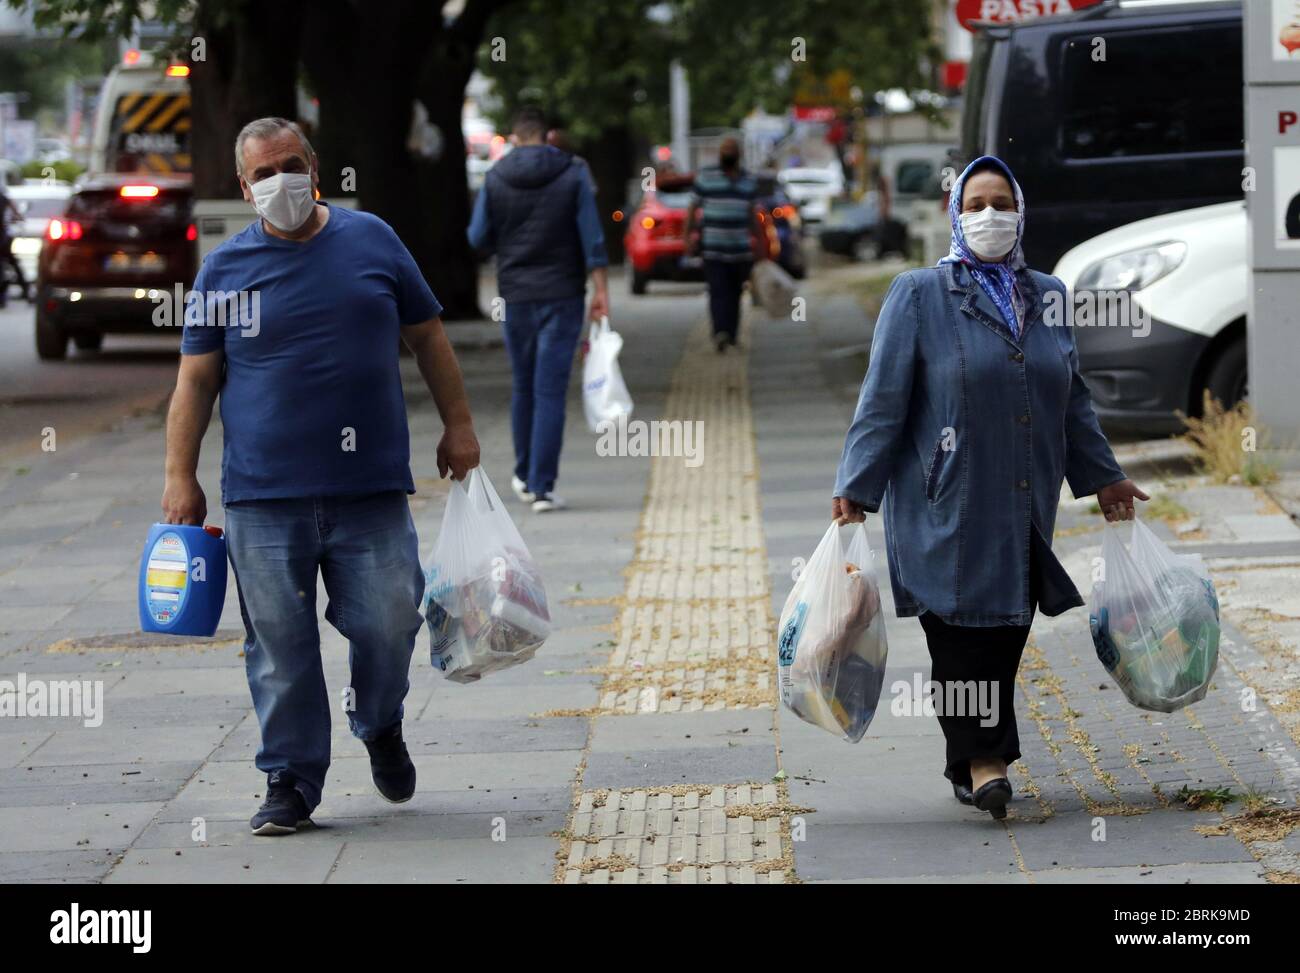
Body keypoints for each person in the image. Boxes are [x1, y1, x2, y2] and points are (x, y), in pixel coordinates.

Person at [162, 117, 480, 836]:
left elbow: (428, 334)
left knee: (392, 618)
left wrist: (458, 424)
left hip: (369, 489)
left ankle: (379, 721)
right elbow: (195, 382)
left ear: (315, 164)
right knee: (279, 641)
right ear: (244, 188)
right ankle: (291, 778)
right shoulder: (224, 270)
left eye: (290, 164)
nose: (281, 182)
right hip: (262, 495)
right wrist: (180, 474)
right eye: (263, 173)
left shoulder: (372, 240)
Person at [832, 156, 1149, 821]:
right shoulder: (919, 294)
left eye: (1000, 201)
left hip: (1022, 503)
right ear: (954, 214)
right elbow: (882, 400)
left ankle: (972, 759)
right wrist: (856, 484)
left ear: (1021, 210)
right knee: (961, 636)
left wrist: (1106, 477)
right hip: (942, 503)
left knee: (1004, 629)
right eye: (974, 203)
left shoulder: (1048, 293)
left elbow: (1073, 400)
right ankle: (985, 760)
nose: (988, 215)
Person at [468, 107, 609, 512]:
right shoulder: (573, 172)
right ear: (546, 136)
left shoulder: (495, 176)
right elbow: (593, 238)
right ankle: (542, 485)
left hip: (514, 294)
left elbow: (478, 236)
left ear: (514, 137)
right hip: (563, 294)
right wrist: (601, 291)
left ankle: (523, 474)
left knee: (524, 384)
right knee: (549, 389)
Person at [684, 137, 762, 352]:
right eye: (724, 149)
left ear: (738, 153)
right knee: (718, 291)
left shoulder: (748, 181)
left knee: (736, 293)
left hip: (740, 249)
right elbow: (692, 209)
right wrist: (687, 236)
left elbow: (753, 215)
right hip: (713, 248)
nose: (728, 153)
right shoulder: (706, 177)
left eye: (731, 149)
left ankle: (732, 333)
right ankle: (720, 332)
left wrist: (760, 243)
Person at [0, 186, 30, 306]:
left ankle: (25, 289)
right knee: (12, 262)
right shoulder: (4, 199)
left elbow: (16, 214)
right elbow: (17, 214)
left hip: (3, 238)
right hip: (3, 238)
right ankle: (25, 289)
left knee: (11, 261)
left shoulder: (4, 199)